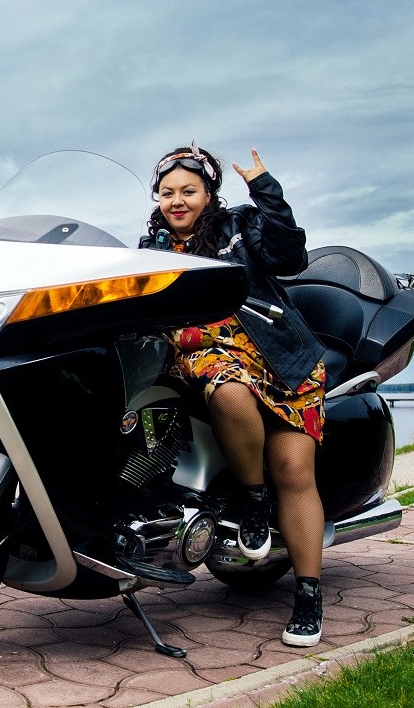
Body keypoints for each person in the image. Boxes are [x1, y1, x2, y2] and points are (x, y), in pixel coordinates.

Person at [139, 143, 328, 647]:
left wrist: (266, 190)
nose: (177, 201)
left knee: (295, 471)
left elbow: (289, 257)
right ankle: (253, 498)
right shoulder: (149, 248)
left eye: (188, 190)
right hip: (206, 356)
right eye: (167, 193)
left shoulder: (239, 226)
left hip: (282, 358)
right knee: (228, 390)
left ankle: (308, 595)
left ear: (209, 193)